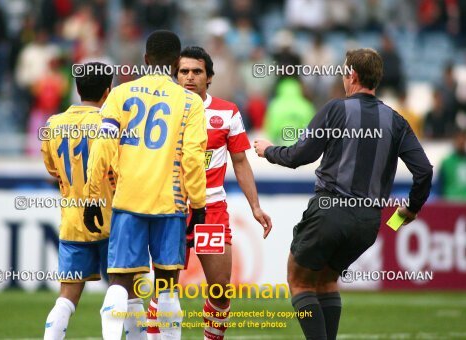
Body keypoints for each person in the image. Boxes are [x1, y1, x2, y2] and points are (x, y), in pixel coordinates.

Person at [254, 48, 433, 340]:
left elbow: (300, 155)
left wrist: (268, 151)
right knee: (326, 281)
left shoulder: (336, 109)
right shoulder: (396, 121)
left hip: (330, 210)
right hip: (367, 223)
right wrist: (411, 210)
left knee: (299, 282)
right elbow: (424, 170)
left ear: (352, 75)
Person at [83, 30, 207, 340]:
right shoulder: (191, 102)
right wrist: (200, 203)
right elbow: (192, 158)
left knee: (121, 283)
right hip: (171, 202)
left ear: (145, 60)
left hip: (129, 201)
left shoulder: (120, 94)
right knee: (166, 285)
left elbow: (102, 147)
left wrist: (91, 197)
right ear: (177, 62)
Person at [146, 46, 273, 340]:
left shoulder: (227, 112)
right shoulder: (163, 110)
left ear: (210, 77)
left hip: (212, 210)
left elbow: (240, 161)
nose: (190, 77)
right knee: (164, 287)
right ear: (175, 75)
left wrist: (255, 207)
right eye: (184, 72)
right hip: (172, 207)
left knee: (220, 289)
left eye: (197, 72)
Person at [41, 62, 115, 339]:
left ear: (76, 88)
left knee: (67, 297)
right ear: (108, 92)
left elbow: (52, 170)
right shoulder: (111, 125)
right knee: (125, 291)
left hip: (73, 222)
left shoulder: (52, 124)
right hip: (110, 219)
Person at [439, 130, 466, 201]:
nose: (461, 142)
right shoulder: (446, 162)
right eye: (458, 140)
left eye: (463, 140)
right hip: (451, 202)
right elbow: (439, 186)